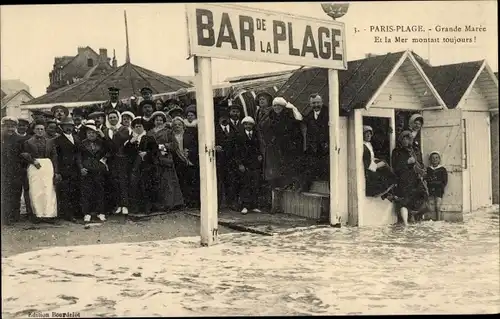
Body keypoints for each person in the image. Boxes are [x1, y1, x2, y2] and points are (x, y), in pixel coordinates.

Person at [259, 97, 303, 192]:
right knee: (282, 165)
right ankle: (287, 183)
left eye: (278, 105)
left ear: (283, 106)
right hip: (278, 146)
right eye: (274, 105)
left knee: (291, 164)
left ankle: (294, 184)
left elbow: (295, 130)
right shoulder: (272, 117)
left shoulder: (289, 116)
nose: (276, 107)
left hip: (289, 144)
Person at [20, 120, 58, 223]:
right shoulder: (28, 142)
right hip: (34, 166)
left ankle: (49, 215)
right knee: (36, 190)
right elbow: (24, 154)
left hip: (47, 166)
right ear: (33, 130)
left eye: (42, 129)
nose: (40, 131)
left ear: (44, 130)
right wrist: (32, 161)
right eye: (37, 129)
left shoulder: (50, 142)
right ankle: (37, 215)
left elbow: (54, 156)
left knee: (48, 189)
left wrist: (56, 170)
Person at [148, 111, 184, 211]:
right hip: (154, 158)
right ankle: (158, 204)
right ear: (153, 121)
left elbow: (175, 144)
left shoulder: (168, 131)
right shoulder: (150, 132)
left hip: (165, 157)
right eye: (156, 120)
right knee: (157, 181)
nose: (159, 122)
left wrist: (165, 146)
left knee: (168, 181)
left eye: (160, 120)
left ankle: (171, 204)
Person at [391, 130, 428, 226]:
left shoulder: (415, 150)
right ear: (401, 140)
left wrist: (421, 170)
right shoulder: (397, 151)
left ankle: (413, 217)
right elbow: (395, 167)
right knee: (404, 201)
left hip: (415, 179)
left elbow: (420, 163)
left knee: (421, 196)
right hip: (404, 179)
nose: (409, 140)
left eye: (410, 138)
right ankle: (406, 222)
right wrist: (407, 163)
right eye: (406, 138)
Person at [102, 110, 134, 216]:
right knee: (114, 181)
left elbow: (121, 141)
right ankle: (118, 205)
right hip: (112, 159)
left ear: (118, 118)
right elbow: (106, 144)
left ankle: (125, 205)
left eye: (114, 117)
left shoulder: (124, 129)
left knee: (123, 181)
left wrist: (115, 132)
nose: (112, 119)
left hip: (122, 158)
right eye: (110, 118)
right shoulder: (106, 131)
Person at [77, 120, 110, 223]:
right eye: (89, 132)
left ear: (97, 133)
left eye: (93, 132)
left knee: (100, 191)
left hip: (98, 170)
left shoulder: (101, 143)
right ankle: (87, 213)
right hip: (87, 170)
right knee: (86, 192)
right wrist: (81, 168)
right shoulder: (82, 144)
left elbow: (110, 150)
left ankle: (101, 213)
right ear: (86, 134)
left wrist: (104, 160)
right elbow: (78, 157)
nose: (91, 134)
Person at [126, 117, 159, 214]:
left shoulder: (149, 138)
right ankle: (136, 207)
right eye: (136, 126)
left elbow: (155, 151)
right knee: (134, 186)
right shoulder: (131, 138)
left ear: (144, 127)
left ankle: (147, 207)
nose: (138, 128)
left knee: (146, 186)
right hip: (134, 166)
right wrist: (131, 142)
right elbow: (126, 151)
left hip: (146, 166)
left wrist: (146, 153)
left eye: (140, 126)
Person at [52, 116, 81, 222]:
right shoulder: (57, 140)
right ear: (61, 127)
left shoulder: (76, 138)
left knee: (74, 191)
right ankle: (67, 214)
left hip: (75, 169)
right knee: (65, 192)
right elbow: (55, 157)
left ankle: (75, 212)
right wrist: (57, 171)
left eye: (70, 126)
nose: (68, 128)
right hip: (64, 169)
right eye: (66, 126)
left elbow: (79, 153)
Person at [235, 116, 263, 214]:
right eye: (246, 124)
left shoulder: (255, 135)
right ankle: (245, 206)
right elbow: (237, 151)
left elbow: (258, 147)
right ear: (243, 125)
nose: (248, 126)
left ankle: (253, 205)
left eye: (250, 124)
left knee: (255, 184)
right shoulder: (239, 135)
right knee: (245, 184)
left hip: (254, 164)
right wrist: (240, 164)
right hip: (244, 164)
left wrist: (259, 155)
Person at [170, 116, 199, 208]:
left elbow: (195, 147)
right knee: (179, 182)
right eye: (175, 125)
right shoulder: (170, 136)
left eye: (179, 124)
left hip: (188, 161)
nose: (177, 126)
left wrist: (189, 152)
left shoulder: (189, 136)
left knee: (190, 181)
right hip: (176, 161)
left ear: (183, 125)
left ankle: (191, 201)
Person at [302, 93, 329, 191]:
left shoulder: (329, 113)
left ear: (322, 102)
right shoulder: (309, 115)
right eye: (313, 103)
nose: (316, 105)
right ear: (310, 104)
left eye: (318, 102)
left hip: (327, 149)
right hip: (314, 148)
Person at [1, 117, 25, 225]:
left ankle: (15, 215)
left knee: (16, 193)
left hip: (16, 170)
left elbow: (23, 155)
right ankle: (5, 216)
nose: (10, 129)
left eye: (12, 126)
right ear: (3, 127)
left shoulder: (19, 139)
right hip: (3, 171)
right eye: (7, 126)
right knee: (5, 194)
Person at [362, 126, 397, 198]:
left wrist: (378, 160)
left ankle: (391, 188)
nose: (369, 135)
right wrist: (378, 165)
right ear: (362, 134)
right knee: (385, 169)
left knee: (384, 163)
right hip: (369, 170)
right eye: (366, 133)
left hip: (372, 165)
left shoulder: (368, 144)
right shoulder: (363, 146)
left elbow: (371, 157)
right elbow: (367, 164)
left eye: (370, 133)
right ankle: (392, 184)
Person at [215, 109, 238, 208]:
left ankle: (231, 203)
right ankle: (218, 204)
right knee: (219, 181)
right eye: (222, 118)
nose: (224, 120)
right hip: (219, 160)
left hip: (231, 160)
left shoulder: (233, 129)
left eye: (226, 118)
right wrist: (215, 147)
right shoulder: (214, 130)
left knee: (231, 181)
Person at [16, 116, 34, 218]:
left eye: (24, 126)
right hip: (16, 168)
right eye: (20, 125)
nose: (22, 127)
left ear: (27, 127)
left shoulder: (30, 138)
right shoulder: (13, 137)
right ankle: (16, 212)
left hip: (27, 167)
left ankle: (29, 211)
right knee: (17, 190)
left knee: (28, 190)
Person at [425, 151, 448, 221]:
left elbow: (444, 181)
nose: (435, 159)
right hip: (430, 189)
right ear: (430, 160)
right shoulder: (428, 169)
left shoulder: (442, 169)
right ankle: (430, 219)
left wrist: (440, 186)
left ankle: (438, 220)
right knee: (429, 205)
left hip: (438, 189)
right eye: (433, 158)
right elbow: (426, 179)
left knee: (437, 205)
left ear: (439, 159)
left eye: (436, 158)